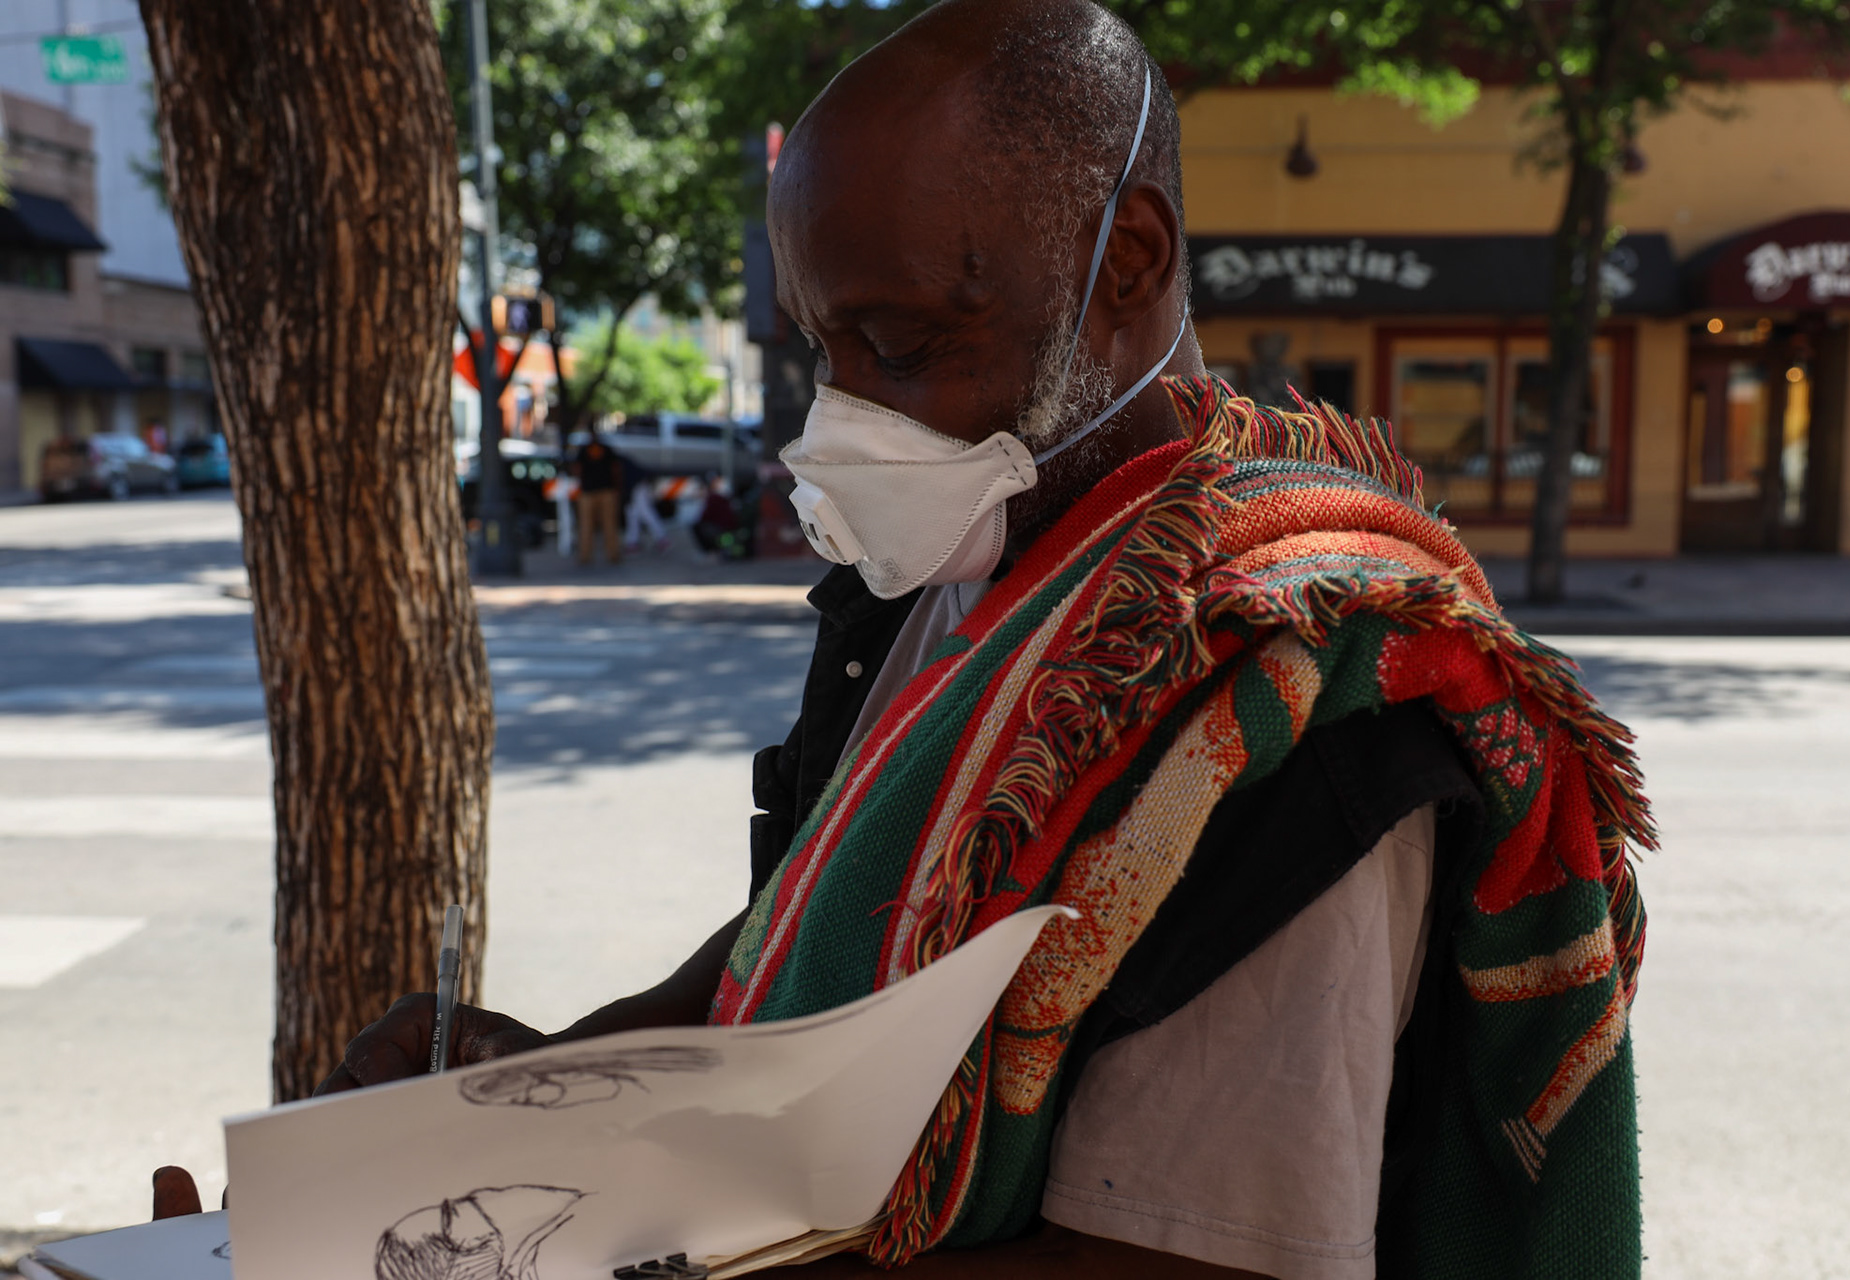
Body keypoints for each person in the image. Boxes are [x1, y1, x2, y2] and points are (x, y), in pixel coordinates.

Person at [227, 2, 1652, 1276]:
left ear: (1128, 258)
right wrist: (560, 1078)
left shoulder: (1297, 692)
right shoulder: (972, 559)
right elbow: (854, 914)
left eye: (903, 345)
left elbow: (1207, 1260)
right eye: (820, 351)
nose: (846, 417)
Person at [572, 428, 623, 566]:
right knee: (603, 524)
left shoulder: (589, 450)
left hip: (594, 491)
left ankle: (590, 555)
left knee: (593, 525)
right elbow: (615, 469)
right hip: (600, 491)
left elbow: (577, 469)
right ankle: (603, 554)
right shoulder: (601, 449)